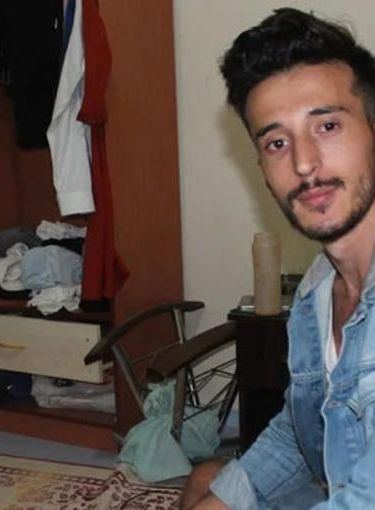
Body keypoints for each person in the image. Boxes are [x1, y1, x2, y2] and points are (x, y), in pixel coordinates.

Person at [183, 7, 375, 509]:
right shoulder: (317, 289)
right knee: (209, 482)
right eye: (276, 142)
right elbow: (298, 430)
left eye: (327, 125)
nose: (304, 163)